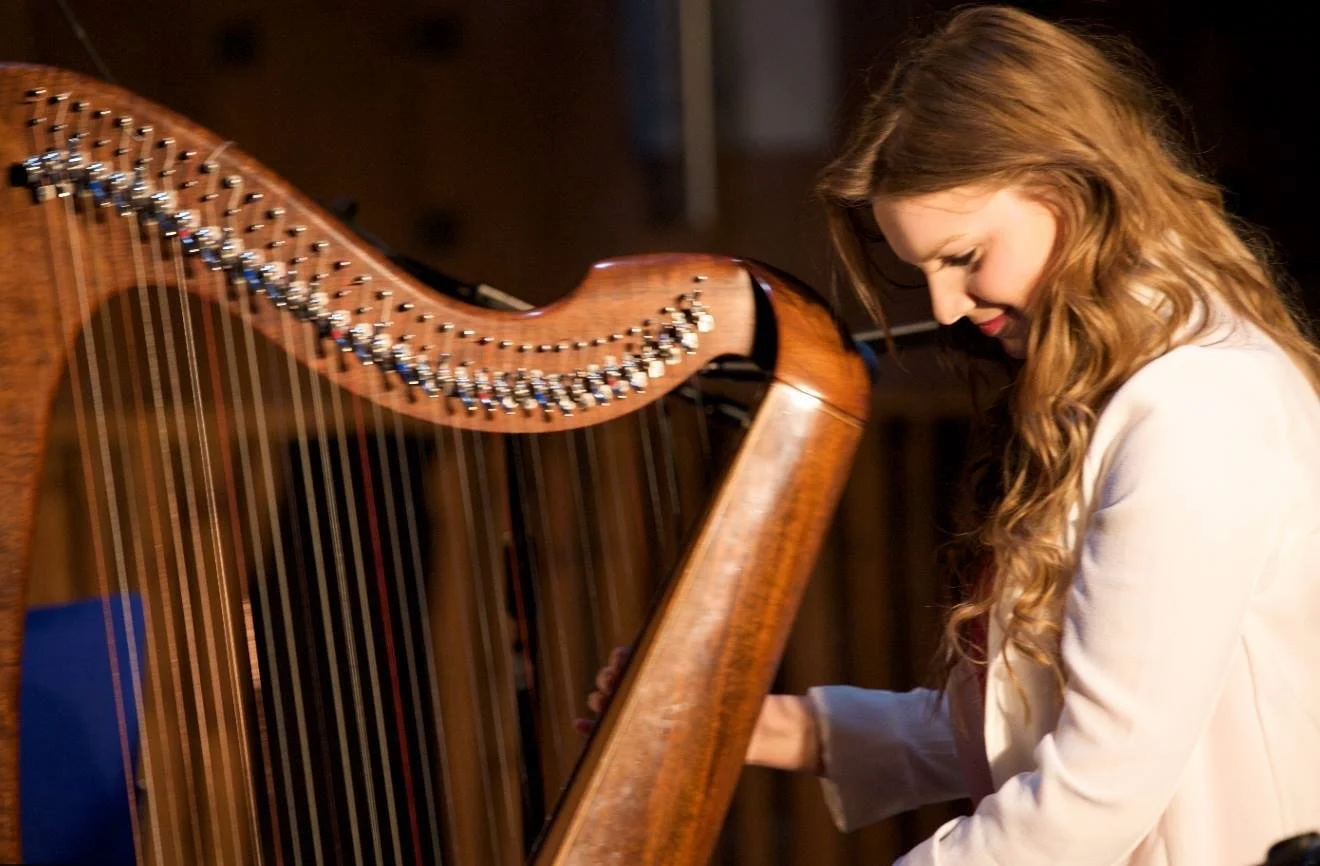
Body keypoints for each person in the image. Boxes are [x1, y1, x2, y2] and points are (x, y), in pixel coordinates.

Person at [584, 6, 1320, 864]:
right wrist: (765, 724)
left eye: (964, 257)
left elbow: (1094, 792)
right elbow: (1037, 723)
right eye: (925, 270)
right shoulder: (1128, 386)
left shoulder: (1195, 406)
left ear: (1072, 188)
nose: (944, 308)